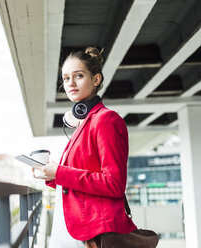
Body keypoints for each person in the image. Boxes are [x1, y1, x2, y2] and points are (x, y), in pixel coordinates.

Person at [33, 47, 137, 247]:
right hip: (74, 228)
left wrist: (61, 172)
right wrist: (52, 175)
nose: (70, 83)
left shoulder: (106, 120)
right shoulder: (84, 123)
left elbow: (113, 184)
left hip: (95, 234)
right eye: (65, 78)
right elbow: (81, 179)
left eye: (78, 76)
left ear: (96, 80)